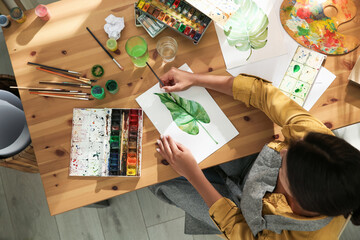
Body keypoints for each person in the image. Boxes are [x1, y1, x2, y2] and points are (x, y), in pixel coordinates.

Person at [150, 67, 360, 240]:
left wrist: (192, 174)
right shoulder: (314, 141)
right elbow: (264, 94)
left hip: (242, 217)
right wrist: (194, 78)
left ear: (294, 203)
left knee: (160, 178)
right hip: (253, 169)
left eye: (285, 166)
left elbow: (237, 228)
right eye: (293, 145)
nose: (283, 150)